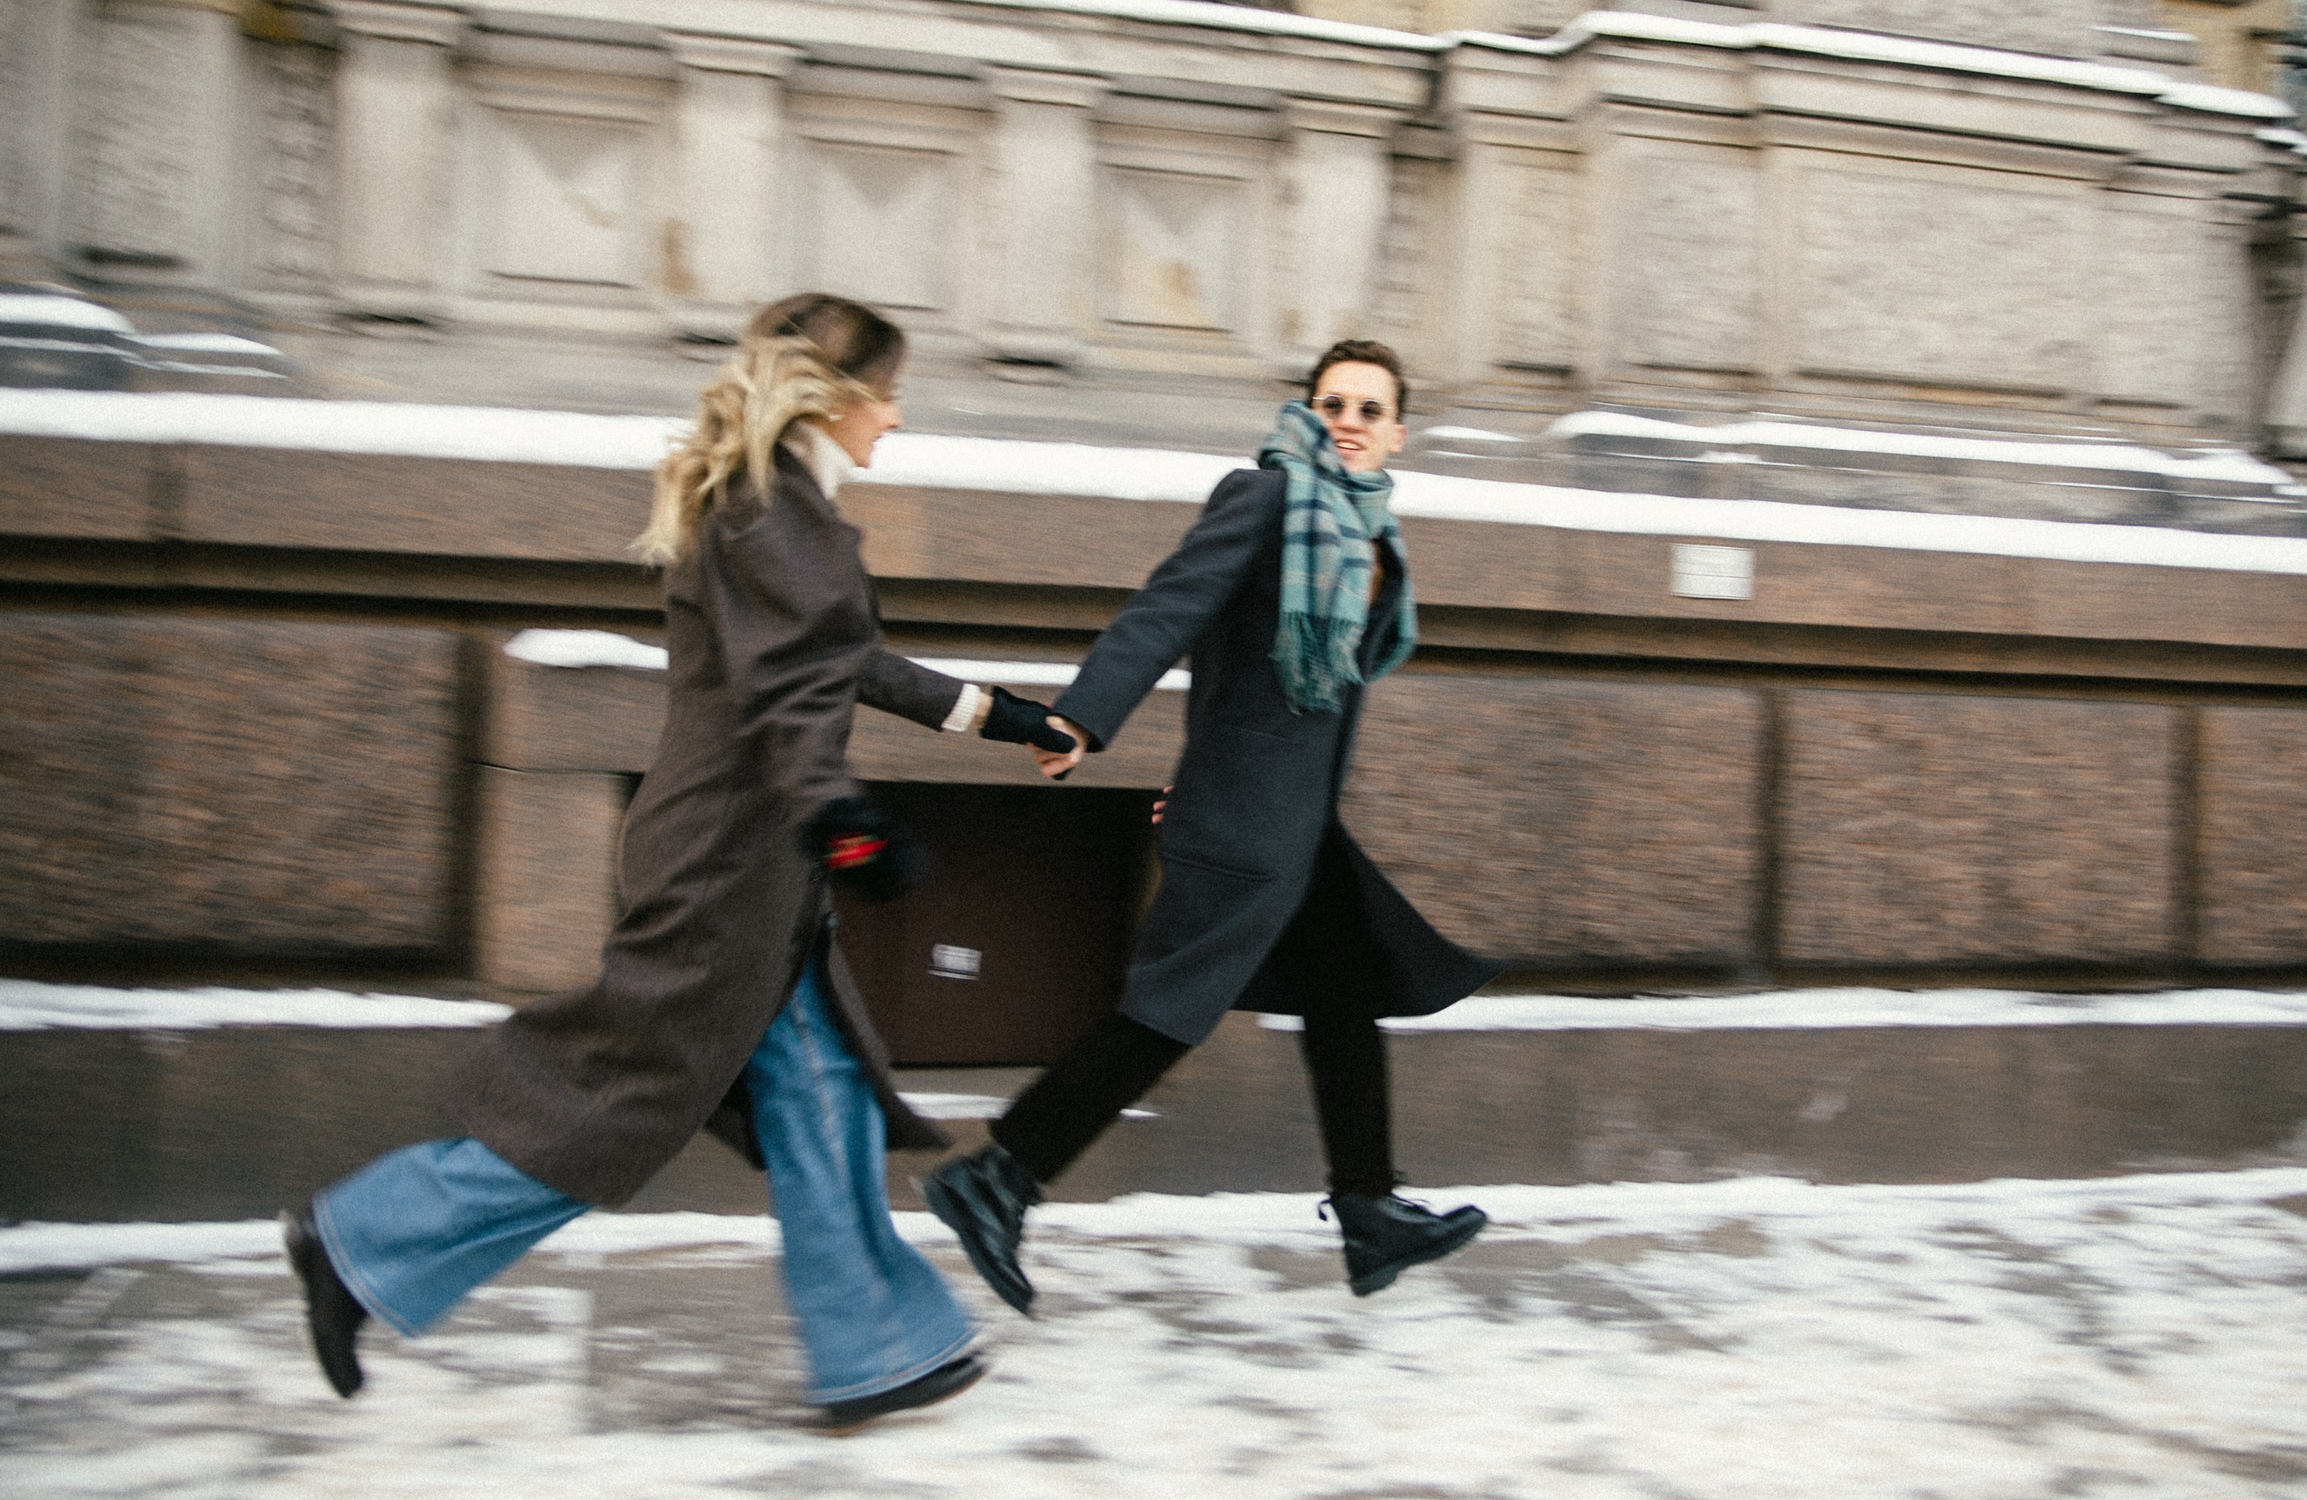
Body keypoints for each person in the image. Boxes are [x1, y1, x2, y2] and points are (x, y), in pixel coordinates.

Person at [281, 294, 1080, 1431]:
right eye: (890, 394)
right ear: (836, 396)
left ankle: (874, 1345)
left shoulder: (776, 508)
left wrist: (1011, 719)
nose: (897, 420)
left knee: (824, 1096)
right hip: (727, 866)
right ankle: (362, 1236)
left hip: (754, 858)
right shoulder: (771, 517)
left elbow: (851, 664)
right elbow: (794, 701)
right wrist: (846, 822)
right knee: (620, 1105)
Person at [923, 339, 1503, 1314]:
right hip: (1242, 819)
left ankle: (1367, 1207)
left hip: (1293, 822)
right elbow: (1166, 609)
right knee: (1165, 1013)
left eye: (1369, 408)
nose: (1348, 421)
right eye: (1332, 403)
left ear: (1398, 431)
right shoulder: (1267, 498)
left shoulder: (1365, 531)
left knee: (1343, 986)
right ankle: (996, 1175)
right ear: (1305, 412)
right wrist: (1083, 715)